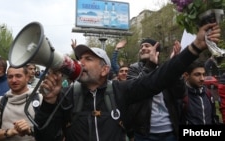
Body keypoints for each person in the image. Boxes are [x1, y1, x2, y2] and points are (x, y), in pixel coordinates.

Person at [34, 23, 221, 141]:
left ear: (105, 70)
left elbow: (160, 78)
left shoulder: (119, 90)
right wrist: (49, 104)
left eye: (88, 59)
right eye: (80, 58)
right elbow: (44, 136)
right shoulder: (67, 96)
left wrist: (195, 47)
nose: (80, 62)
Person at [126, 39, 183, 141]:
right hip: (144, 134)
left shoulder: (165, 69)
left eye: (147, 46)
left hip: (169, 132)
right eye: (141, 46)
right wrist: (150, 66)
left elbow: (180, 93)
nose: (143, 48)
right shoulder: (133, 69)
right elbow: (134, 90)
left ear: (156, 51)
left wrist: (175, 68)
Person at [0, 66, 43, 141]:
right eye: (10, 77)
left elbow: (50, 132)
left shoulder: (40, 99)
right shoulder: (0, 101)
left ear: (27, 78)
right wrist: (9, 132)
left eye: (18, 76)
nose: (14, 80)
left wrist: (30, 131)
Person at [180, 61, 220, 125]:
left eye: (203, 74)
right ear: (186, 75)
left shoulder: (208, 94)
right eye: (197, 74)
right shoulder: (181, 96)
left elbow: (213, 116)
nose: (202, 79)